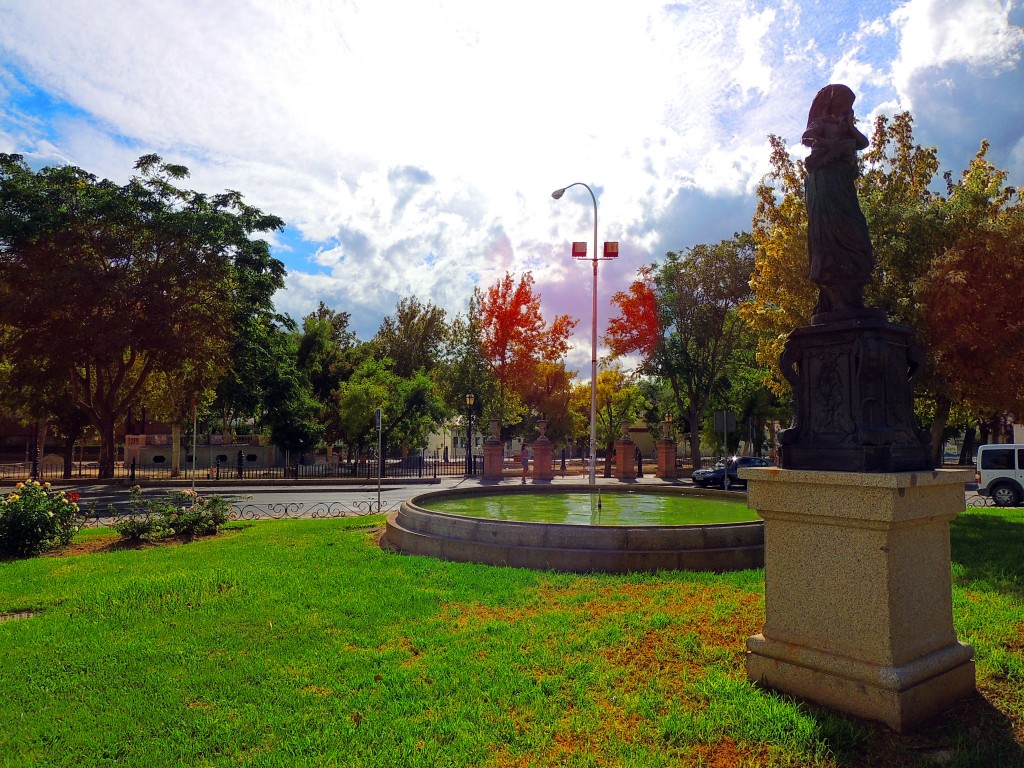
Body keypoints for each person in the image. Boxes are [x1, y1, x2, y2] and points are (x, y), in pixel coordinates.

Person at [801, 84, 874, 320]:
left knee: (856, 234)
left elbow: (863, 143)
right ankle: (836, 301)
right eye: (846, 104)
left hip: (842, 186)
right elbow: (807, 137)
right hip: (825, 185)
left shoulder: (846, 128)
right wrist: (829, 143)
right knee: (831, 240)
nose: (848, 109)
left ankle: (854, 298)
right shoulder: (822, 123)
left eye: (851, 106)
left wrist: (849, 128)